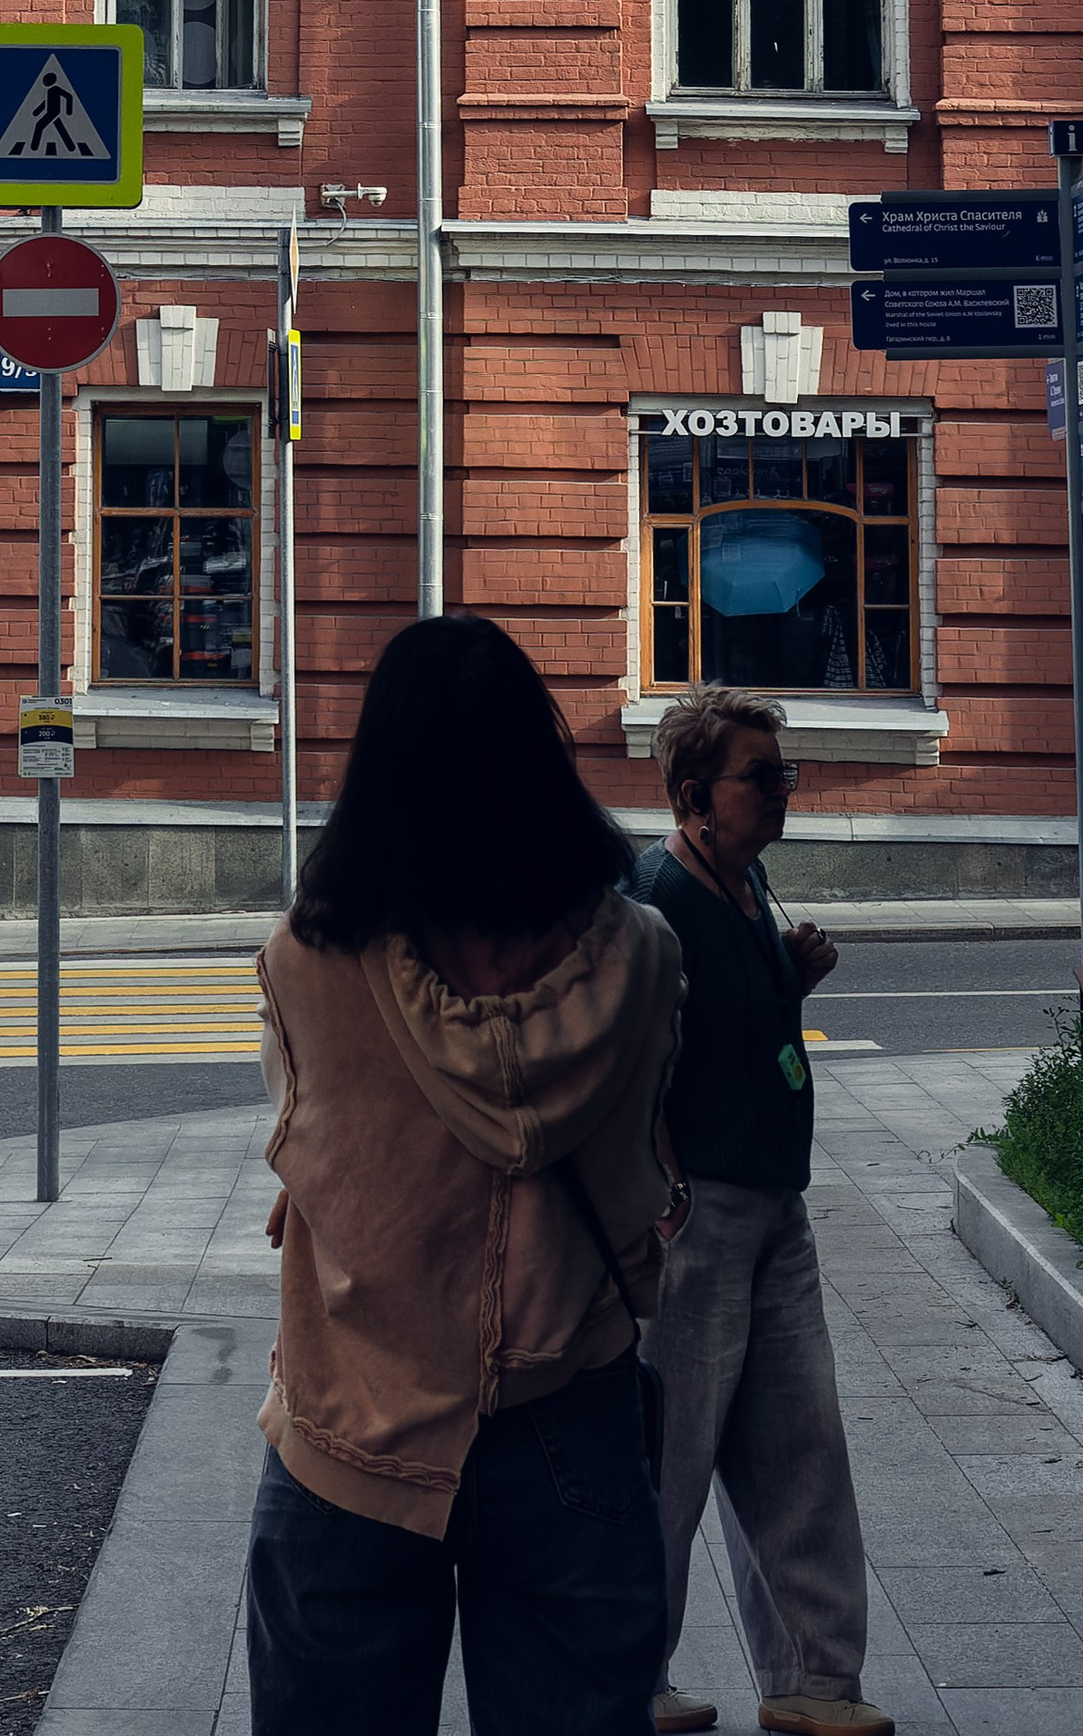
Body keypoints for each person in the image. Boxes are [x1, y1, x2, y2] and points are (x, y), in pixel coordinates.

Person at [246, 612, 685, 1736]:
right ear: (538, 760)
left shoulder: (305, 961)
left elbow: (313, 1148)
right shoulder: (638, 955)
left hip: (354, 1415)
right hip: (568, 1408)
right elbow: (649, 1141)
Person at [638, 684, 891, 1736]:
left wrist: (789, 981)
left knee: (800, 1445)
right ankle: (631, 1677)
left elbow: (741, 1029)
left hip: (774, 1206)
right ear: (698, 795)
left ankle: (813, 1682)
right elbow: (625, 1057)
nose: (783, 792)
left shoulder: (745, 883)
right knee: (667, 1458)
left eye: (785, 772)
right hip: (692, 1216)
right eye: (763, 775)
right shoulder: (656, 896)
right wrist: (660, 1193)